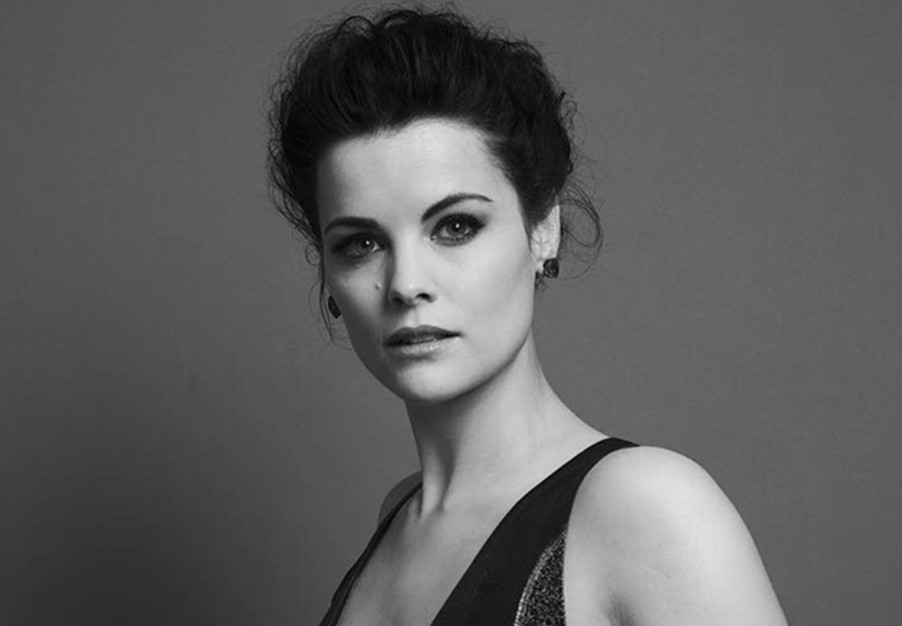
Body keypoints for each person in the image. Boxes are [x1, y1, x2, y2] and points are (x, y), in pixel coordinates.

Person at [267, 7, 787, 625]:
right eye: (361, 243)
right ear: (328, 272)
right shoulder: (397, 518)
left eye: (456, 227)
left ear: (543, 230)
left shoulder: (644, 507)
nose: (406, 284)